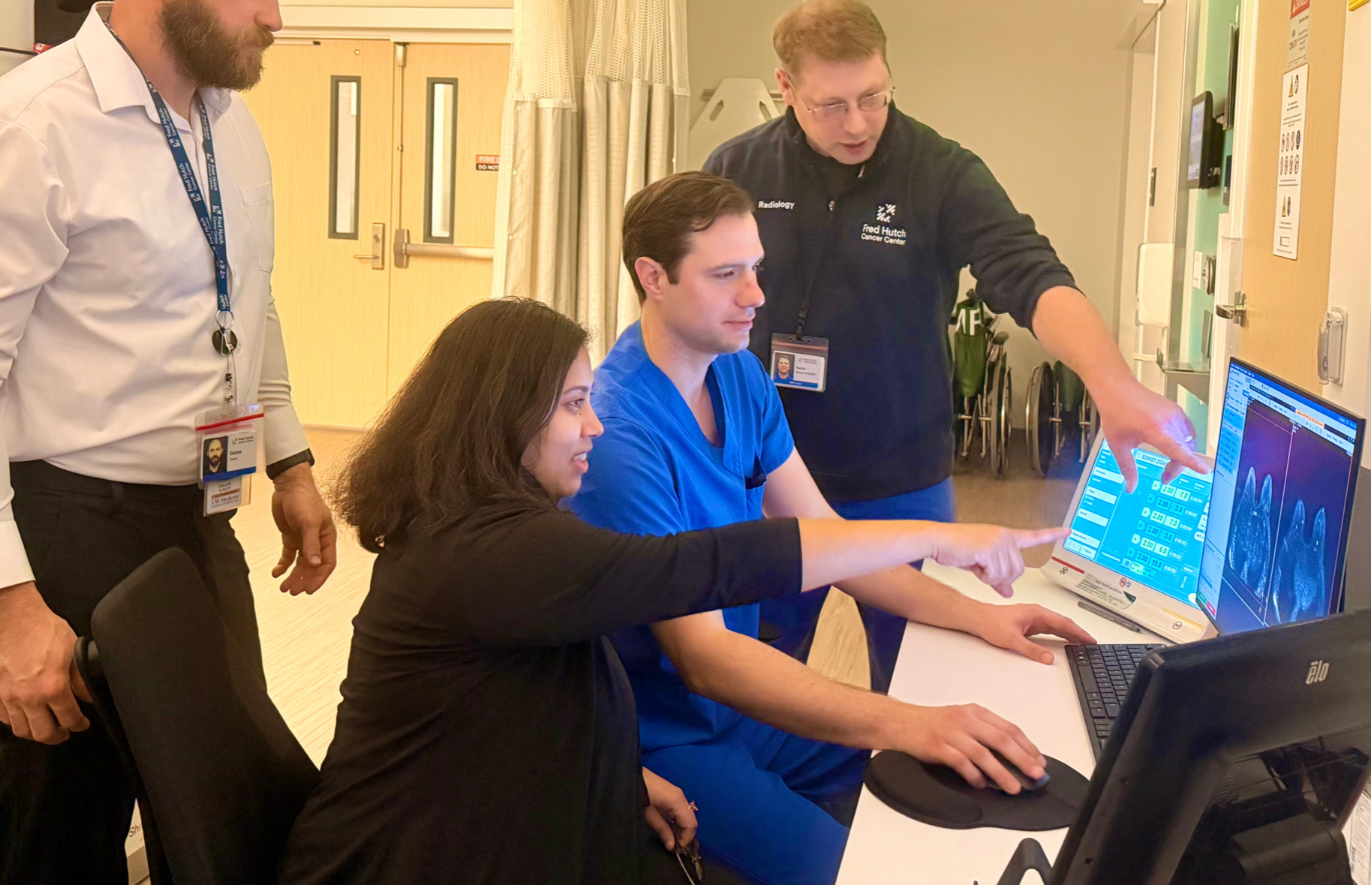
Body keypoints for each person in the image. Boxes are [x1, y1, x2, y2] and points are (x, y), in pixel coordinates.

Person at [279, 297, 1064, 885]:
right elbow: (713, 564)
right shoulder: (497, 550)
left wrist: (621, 777)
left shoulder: (476, 527)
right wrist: (933, 533)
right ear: (504, 417)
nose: (594, 428)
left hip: (484, 821)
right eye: (573, 406)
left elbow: (499, 721)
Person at [0, 0, 335, 883]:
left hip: (200, 513)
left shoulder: (229, 125)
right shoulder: (23, 128)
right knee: (65, 824)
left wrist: (293, 460)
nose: (276, 16)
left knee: (226, 797)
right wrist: (6, 605)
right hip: (62, 524)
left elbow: (247, 298)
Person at [567, 172, 1096, 885]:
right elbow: (706, 659)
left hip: (737, 716)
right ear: (652, 276)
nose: (756, 294)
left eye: (756, 268)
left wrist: (978, 615)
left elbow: (823, 538)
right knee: (863, 865)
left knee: (958, 777)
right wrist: (906, 718)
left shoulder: (740, 377)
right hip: (671, 736)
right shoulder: (621, 433)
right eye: (726, 274)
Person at [702, 0, 1213, 693]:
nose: (858, 123)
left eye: (874, 96)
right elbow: (688, 294)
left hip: (901, 477)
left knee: (921, 677)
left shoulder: (938, 169)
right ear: (785, 87)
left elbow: (1029, 273)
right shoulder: (738, 169)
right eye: (832, 105)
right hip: (770, 480)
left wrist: (1111, 381)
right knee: (759, 679)